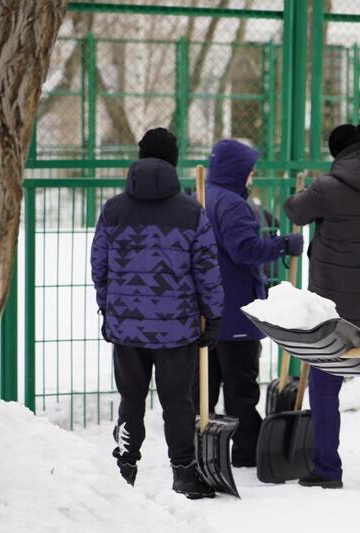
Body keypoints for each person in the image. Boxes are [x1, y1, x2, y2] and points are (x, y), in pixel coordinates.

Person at [91, 127, 223, 499]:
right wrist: (213, 315)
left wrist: (108, 308)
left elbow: (99, 266)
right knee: (177, 403)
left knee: (130, 399)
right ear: (174, 162)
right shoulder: (190, 211)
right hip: (176, 329)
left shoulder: (113, 209)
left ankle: (125, 466)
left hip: (126, 328)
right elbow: (207, 269)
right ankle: (184, 474)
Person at [283, 124, 360, 489]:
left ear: (338, 154)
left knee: (325, 387)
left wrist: (309, 191)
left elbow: (294, 211)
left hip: (333, 314)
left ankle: (327, 469)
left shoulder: (326, 188)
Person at [196, 138, 303, 468]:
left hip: (207, 308)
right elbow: (244, 250)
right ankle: (246, 451)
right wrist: (283, 244)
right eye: (250, 172)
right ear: (236, 171)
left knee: (206, 384)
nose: (252, 178)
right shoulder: (232, 205)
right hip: (236, 308)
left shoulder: (203, 196)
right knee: (241, 386)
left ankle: (200, 446)